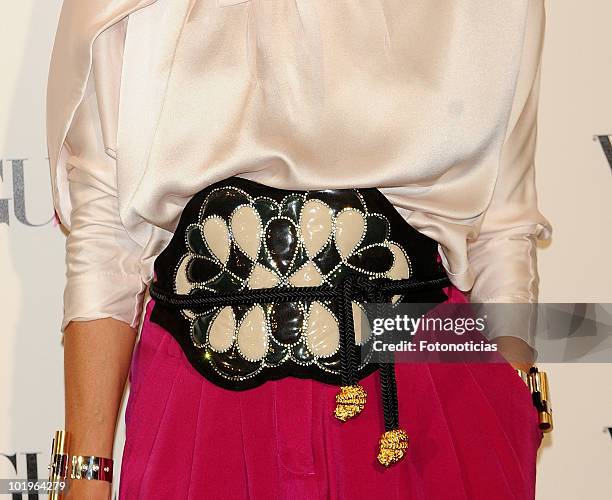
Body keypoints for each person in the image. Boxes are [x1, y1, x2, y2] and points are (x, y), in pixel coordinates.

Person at [45, 1, 553, 499]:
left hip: (424, 393)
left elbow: (503, 226)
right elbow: (106, 229)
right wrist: (85, 474)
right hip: (200, 405)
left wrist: (509, 405)